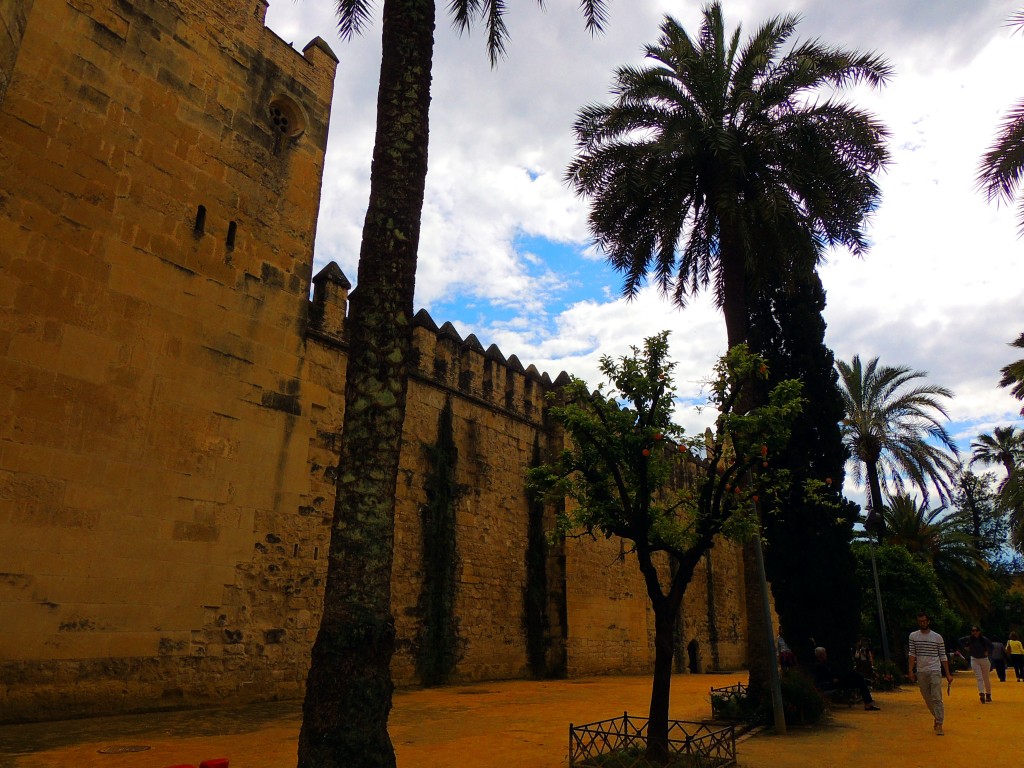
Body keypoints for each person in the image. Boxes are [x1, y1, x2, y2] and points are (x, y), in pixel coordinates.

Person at [908, 612, 953, 735]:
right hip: (921, 670)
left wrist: (948, 673)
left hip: (935, 669)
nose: (922, 623)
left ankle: (939, 722)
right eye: (920, 621)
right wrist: (910, 670)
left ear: (928, 621)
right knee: (927, 697)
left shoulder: (937, 637)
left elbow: (943, 655)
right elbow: (912, 653)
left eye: (924, 621)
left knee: (936, 697)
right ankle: (937, 716)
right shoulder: (913, 636)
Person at [810, 646, 880, 710]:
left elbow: (830, 674)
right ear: (821, 655)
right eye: (825, 654)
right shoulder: (818, 665)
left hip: (835, 681)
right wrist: (833, 678)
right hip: (829, 684)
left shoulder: (823, 663)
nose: (826, 655)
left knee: (860, 680)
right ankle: (868, 703)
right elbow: (825, 677)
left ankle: (868, 703)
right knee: (858, 678)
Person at [958, 626, 993, 703]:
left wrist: (988, 652)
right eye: (973, 631)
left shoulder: (984, 639)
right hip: (974, 659)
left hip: (984, 659)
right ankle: (981, 693)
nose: (974, 632)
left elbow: (991, 646)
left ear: (979, 631)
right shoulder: (969, 639)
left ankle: (988, 693)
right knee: (979, 677)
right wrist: (965, 647)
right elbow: (960, 640)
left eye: (976, 631)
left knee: (986, 678)